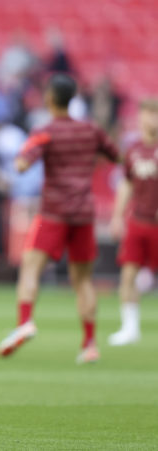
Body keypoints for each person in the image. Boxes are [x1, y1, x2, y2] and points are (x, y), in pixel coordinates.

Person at [0, 73, 119, 364]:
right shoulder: (91, 131)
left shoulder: (45, 131)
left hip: (53, 212)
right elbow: (115, 156)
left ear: (50, 98)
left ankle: (25, 321)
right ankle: (89, 344)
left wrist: (20, 161)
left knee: (30, 267)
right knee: (83, 280)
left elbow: (23, 163)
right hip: (83, 213)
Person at [108, 99, 158, 346]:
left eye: (154, 114)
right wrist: (117, 216)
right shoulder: (134, 150)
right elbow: (126, 184)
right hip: (138, 221)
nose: (150, 119)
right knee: (128, 275)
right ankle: (130, 328)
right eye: (147, 114)